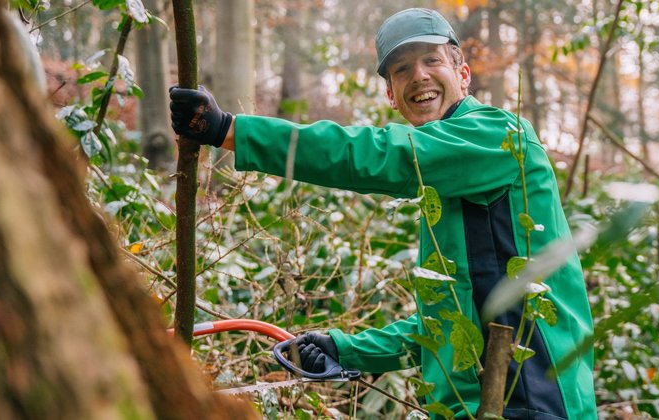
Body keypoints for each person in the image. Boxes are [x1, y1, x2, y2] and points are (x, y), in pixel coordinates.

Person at [169, 8, 595, 419]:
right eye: (402, 70)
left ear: (463, 75)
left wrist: (230, 130)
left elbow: (376, 155)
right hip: (473, 406)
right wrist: (346, 350)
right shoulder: (444, 187)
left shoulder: (500, 136)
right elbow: (447, 323)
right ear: (391, 95)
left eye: (432, 61)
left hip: (535, 400)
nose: (420, 76)